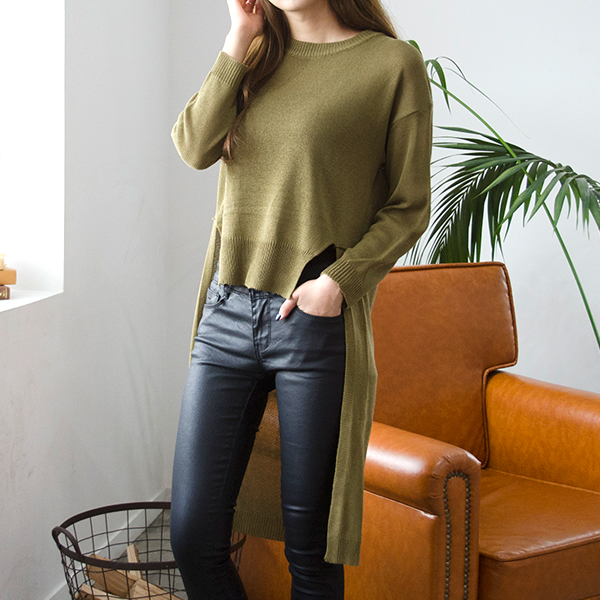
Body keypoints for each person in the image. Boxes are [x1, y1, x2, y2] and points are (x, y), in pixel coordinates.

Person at [169, 0, 433, 598]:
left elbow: (409, 205)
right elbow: (193, 145)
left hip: (311, 322)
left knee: (309, 552)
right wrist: (239, 35)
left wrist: (339, 282)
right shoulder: (254, 57)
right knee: (192, 536)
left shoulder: (391, 65)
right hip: (226, 313)